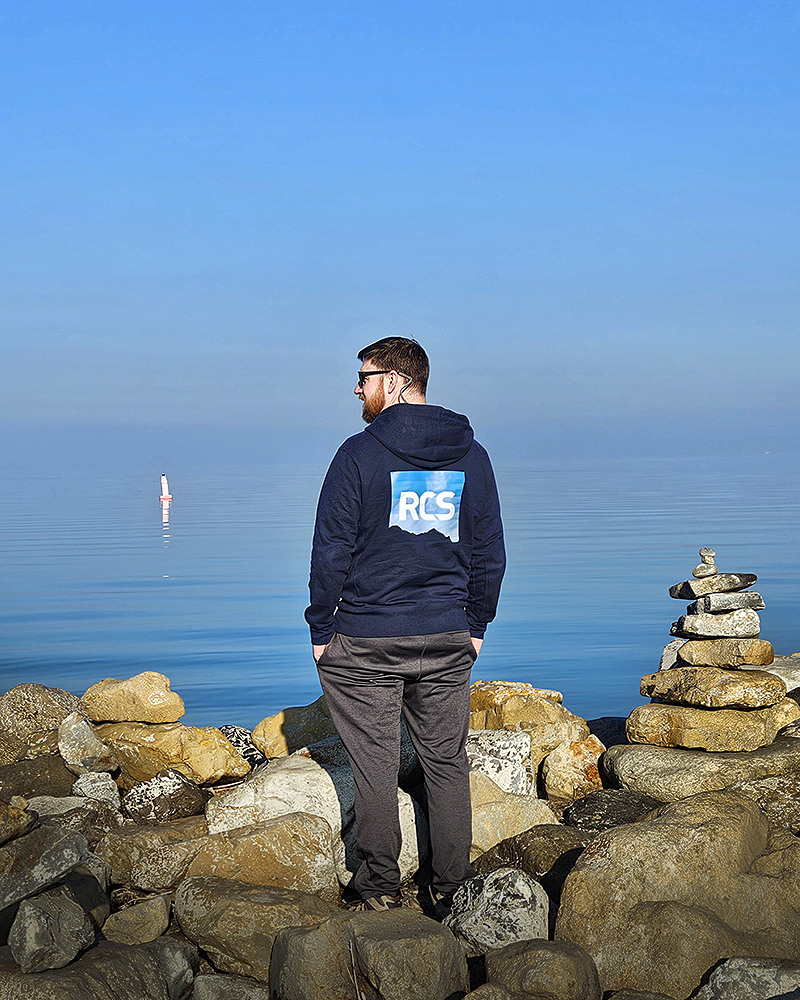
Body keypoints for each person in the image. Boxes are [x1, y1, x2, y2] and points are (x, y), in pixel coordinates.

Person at [305, 337, 505, 915]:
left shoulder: (357, 456)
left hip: (367, 638)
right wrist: (475, 624)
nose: (357, 389)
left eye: (363, 377)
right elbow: (490, 552)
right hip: (446, 635)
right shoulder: (473, 456)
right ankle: (451, 887)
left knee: (374, 760)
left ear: (393, 380)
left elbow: (329, 553)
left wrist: (321, 629)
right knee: (446, 760)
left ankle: (379, 888)